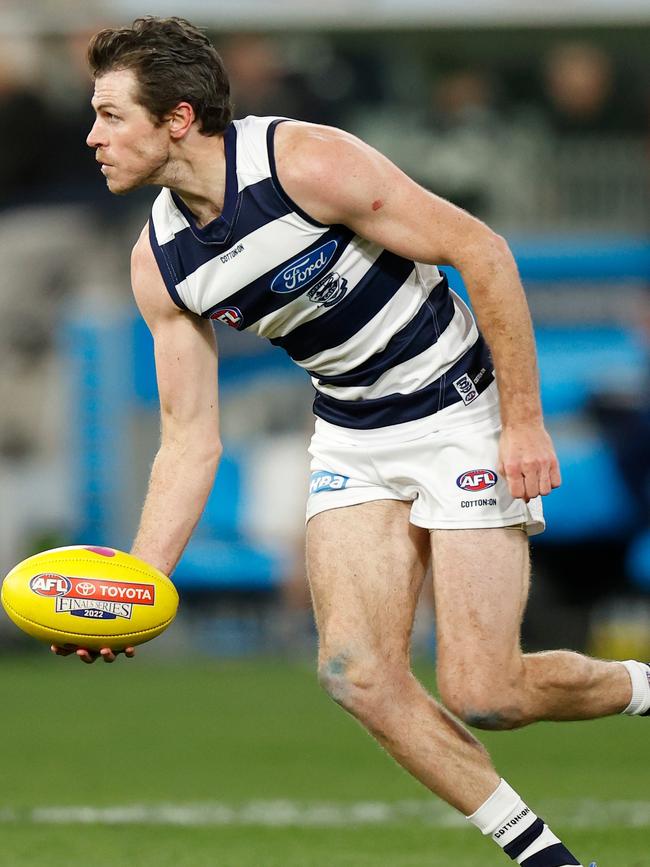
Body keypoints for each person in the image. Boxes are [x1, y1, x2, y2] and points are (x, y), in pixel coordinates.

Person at [53, 16, 650, 867]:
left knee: (487, 690)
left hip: (459, 411)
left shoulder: (304, 164)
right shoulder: (163, 262)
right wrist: (134, 587)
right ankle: (552, 861)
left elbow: (481, 250)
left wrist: (523, 421)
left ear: (177, 119)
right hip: (353, 432)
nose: (93, 135)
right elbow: (187, 441)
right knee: (353, 672)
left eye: (111, 114)